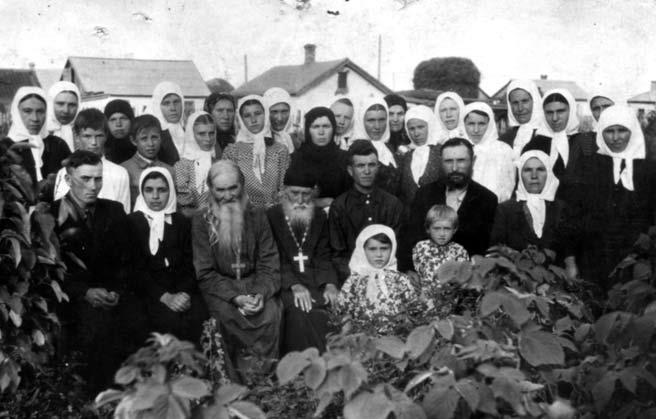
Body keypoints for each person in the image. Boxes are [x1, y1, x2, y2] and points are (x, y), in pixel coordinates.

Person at [51, 150, 142, 391]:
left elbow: (128, 261)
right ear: (68, 179)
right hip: (72, 299)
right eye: (85, 179)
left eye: (98, 178)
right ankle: (95, 398)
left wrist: (117, 291)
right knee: (97, 330)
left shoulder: (114, 211)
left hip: (113, 295)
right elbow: (51, 272)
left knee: (139, 320)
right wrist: (85, 292)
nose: (93, 186)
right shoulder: (50, 215)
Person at [192, 160, 281, 380]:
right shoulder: (201, 221)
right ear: (211, 190)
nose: (228, 195)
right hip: (221, 289)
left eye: (233, 188)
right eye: (220, 190)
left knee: (271, 313)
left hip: (255, 284)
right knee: (225, 318)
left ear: (242, 185)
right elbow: (204, 272)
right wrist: (236, 297)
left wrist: (259, 293)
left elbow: (269, 262)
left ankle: (264, 384)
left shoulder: (257, 215)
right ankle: (234, 386)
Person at [576, 105, 656, 291]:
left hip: (635, 257)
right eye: (609, 131)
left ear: (632, 131)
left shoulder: (648, 168)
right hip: (595, 256)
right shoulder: (589, 165)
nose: (616, 137)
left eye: (622, 130)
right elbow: (578, 212)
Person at [128, 167, 208, 344]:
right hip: (149, 292)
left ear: (170, 191)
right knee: (165, 322)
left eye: (162, 190)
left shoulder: (181, 222)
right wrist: (165, 297)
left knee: (199, 317)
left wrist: (184, 293)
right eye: (149, 190)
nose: (155, 196)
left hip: (181, 289)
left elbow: (190, 263)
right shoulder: (131, 222)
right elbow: (135, 269)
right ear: (141, 192)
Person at [266, 168, 339, 354]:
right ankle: (305, 366)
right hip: (284, 283)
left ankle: (329, 362)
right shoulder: (271, 216)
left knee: (330, 306)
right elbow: (272, 257)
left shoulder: (319, 216)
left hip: (315, 281)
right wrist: (294, 284)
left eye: (306, 194)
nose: (300, 200)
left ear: (313, 193)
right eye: (294, 193)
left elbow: (324, 254)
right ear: (284, 191)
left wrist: (330, 283)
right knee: (299, 311)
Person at [399, 138, 497, 271]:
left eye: (461, 160)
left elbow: (488, 249)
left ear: (473, 161)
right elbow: (410, 238)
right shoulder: (424, 194)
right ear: (441, 162)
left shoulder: (487, 199)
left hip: (468, 276)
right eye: (448, 161)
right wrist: (409, 271)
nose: (454, 168)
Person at [329, 140, 404, 282]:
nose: (367, 171)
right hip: (352, 279)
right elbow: (338, 255)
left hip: (388, 278)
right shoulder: (340, 206)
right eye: (360, 166)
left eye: (371, 165)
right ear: (350, 170)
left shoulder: (392, 204)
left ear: (378, 167)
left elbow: (397, 249)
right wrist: (359, 279)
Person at [490, 151, 576, 271]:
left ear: (549, 173)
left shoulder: (560, 208)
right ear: (520, 174)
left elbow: (568, 251)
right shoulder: (505, 210)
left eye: (540, 169)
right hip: (515, 276)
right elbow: (496, 249)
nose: (534, 175)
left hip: (556, 278)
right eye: (527, 170)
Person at [338, 225, 416, 331]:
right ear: (362, 250)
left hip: (395, 337)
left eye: (384, 248)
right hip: (363, 337)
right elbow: (344, 313)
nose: (379, 254)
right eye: (372, 249)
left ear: (392, 249)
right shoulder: (354, 281)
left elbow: (412, 310)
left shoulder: (401, 279)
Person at [523, 89, 596, 200]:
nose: (555, 118)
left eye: (561, 111)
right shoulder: (534, 145)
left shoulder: (586, 142)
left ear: (571, 111)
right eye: (549, 112)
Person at [53, 108, 131, 213]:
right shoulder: (64, 173)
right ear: (77, 137)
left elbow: (124, 213)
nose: (94, 142)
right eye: (87, 136)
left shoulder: (119, 173)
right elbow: (59, 212)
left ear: (106, 136)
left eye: (99, 136)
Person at [223, 95, 290, 209]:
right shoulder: (232, 152)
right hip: (244, 213)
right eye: (247, 115)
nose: (253, 120)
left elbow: (284, 187)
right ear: (241, 119)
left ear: (266, 115)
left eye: (258, 113)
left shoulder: (280, 150)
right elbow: (229, 188)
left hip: (274, 212)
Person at [1, 86, 71, 188]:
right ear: (16, 112)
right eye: (27, 111)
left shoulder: (58, 145)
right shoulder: (4, 148)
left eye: (40, 111)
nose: (35, 118)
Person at [288, 106, 351, 211]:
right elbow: (285, 198)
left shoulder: (345, 159)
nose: (321, 132)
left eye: (326, 126)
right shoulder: (294, 160)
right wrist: (319, 202)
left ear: (333, 128)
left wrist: (334, 203)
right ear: (307, 130)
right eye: (315, 127)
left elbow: (352, 196)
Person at [463, 102, 515, 202]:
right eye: (471, 124)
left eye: (481, 124)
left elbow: (508, 185)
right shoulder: (458, 148)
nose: (476, 130)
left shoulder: (503, 150)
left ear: (490, 124)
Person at [122, 115, 174, 207]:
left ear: (161, 138)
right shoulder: (124, 170)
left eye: (154, 137)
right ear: (133, 140)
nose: (150, 144)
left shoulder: (170, 170)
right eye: (144, 138)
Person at [174, 111, 220, 215]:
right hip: (190, 221)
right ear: (191, 134)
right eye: (201, 134)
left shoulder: (219, 164)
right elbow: (184, 208)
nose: (208, 139)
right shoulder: (182, 166)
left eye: (211, 133)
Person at [412, 205, 469, 288]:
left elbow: (463, 279)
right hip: (425, 293)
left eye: (447, 228)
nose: (442, 234)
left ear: (454, 230)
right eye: (436, 228)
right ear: (428, 229)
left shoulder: (459, 251)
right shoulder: (421, 247)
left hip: (450, 294)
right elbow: (416, 274)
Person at [352, 96, 400, 195]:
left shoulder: (389, 148)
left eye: (382, 120)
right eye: (371, 120)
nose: (377, 126)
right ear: (361, 121)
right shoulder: (356, 149)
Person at [397, 105, 442, 208]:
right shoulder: (405, 156)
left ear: (430, 125)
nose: (416, 133)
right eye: (411, 129)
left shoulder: (441, 152)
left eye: (421, 127)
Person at [499, 79, 545, 157]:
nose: (520, 108)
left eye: (525, 101)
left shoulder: (548, 137)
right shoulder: (503, 141)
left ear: (535, 102)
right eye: (515, 103)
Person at [151, 81, 185, 166]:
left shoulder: (190, 132)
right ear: (158, 106)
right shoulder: (154, 136)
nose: (173, 108)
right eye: (166, 103)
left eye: (176, 102)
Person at [46, 81, 81, 151]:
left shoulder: (83, 132)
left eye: (72, 105)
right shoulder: (40, 131)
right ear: (50, 104)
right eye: (60, 104)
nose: (66, 110)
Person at [263, 87, 299, 152]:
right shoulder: (259, 142)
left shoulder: (291, 139)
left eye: (284, 111)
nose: (280, 118)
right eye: (274, 112)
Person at [104, 99, 136, 164]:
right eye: (113, 119)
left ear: (131, 121)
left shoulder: (142, 149)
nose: (118, 124)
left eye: (123, 118)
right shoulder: (101, 150)